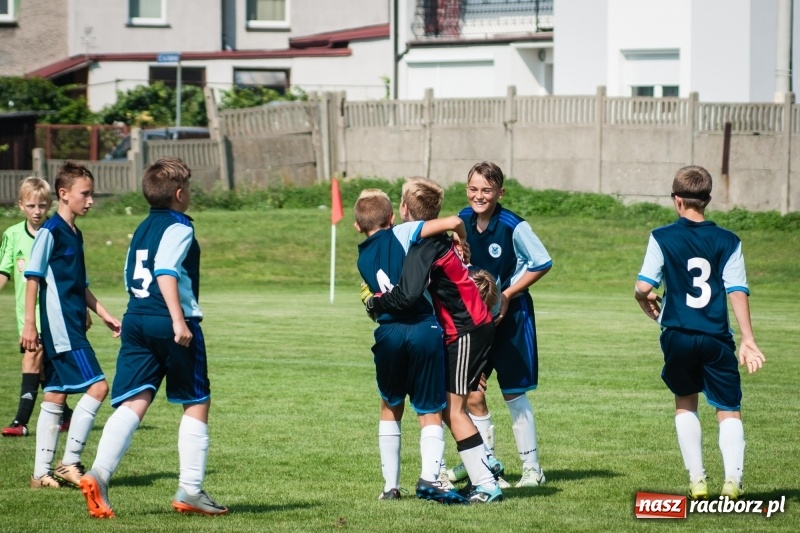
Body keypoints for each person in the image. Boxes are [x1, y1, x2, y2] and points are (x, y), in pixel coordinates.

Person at [79, 157, 227, 518]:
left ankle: (99, 474)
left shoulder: (143, 227)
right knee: (196, 400)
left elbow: (130, 272)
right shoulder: (179, 225)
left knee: (135, 401)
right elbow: (164, 271)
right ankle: (190, 490)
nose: (189, 193)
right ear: (179, 194)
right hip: (169, 321)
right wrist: (178, 320)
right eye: (188, 188)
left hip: (137, 317)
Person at [364, 177, 503, 504]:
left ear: (403, 209)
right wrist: (461, 236)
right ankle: (484, 469)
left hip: (465, 329)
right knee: (449, 407)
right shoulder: (434, 239)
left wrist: (376, 302)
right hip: (467, 329)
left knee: (453, 410)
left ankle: (487, 483)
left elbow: (408, 295)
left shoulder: (424, 246)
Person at [634, 165, 765, 501]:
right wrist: (748, 339)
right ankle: (732, 481)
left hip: (677, 334)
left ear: (676, 200)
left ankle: (697, 481)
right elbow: (736, 290)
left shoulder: (662, 237)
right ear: (707, 199)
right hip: (715, 336)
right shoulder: (728, 241)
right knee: (728, 408)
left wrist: (643, 299)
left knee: (685, 402)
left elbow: (644, 286)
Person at [355, 187, 470, 504]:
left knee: (390, 407)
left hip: (388, 331)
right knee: (430, 411)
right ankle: (431, 481)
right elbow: (449, 221)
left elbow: (373, 297)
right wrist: (460, 237)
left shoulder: (362, 257)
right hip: (422, 327)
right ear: (392, 218)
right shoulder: (403, 233)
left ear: (357, 226)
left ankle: (390, 487)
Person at [449, 161, 552, 489]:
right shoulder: (461, 220)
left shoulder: (513, 226)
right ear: (466, 190)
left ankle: (532, 469)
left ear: (500, 192)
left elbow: (542, 262)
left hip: (512, 319)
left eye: (487, 190)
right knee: (471, 392)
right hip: (474, 323)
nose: (479, 196)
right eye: (473, 189)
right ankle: (485, 465)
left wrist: (507, 294)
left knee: (513, 392)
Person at [21, 162, 122, 489]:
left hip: (72, 323)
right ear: (64, 194)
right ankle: (70, 462)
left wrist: (103, 313)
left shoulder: (75, 234)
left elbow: (79, 285)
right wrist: (29, 325)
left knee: (55, 393)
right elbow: (33, 278)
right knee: (98, 387)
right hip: (61, 327)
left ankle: (40, 474)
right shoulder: (50, 232)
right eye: (85, 194)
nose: (90, 201)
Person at [0, 178, 73, 437]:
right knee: (42, 368)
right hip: (26, 314)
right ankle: (67, 416)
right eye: (31, 206)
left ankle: (20, 422)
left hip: (51, 313)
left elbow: (70, 275)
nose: (37, 211)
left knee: (31, 358)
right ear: (21, 205)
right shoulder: (12, 234)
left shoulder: (56, 233)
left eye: (42, 205)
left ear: (49, 204)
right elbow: (4, 271)